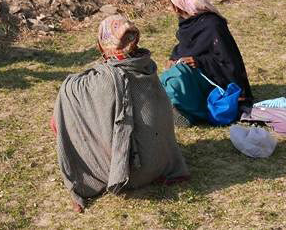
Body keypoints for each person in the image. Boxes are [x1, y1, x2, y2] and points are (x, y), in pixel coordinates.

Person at [52, 15, 189, 212]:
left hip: (131, 175)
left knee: (69, 101)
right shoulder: (147, 66)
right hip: (161, 164)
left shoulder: (103, 81)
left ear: (102, 44)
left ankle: (85, 178)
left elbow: (71, 90)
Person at [167, 0, 254, 104]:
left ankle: (189, 111)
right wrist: (173, 58)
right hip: (198, 75)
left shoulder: (212, 24)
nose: (174, 9)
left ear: (178, 6)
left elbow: (229, 60)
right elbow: (186, 46)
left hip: (218, 81)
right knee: (170, 78)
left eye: (174, 5)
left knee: (178, 80)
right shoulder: (187, 23)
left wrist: (199, 62)